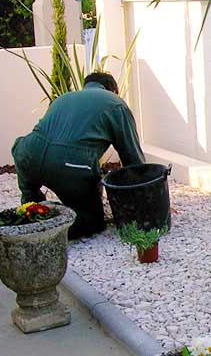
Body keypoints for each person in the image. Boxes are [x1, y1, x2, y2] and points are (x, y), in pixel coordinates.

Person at [12, 72, 144, 239]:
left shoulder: (63, 98)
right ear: (113, 90)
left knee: (34, 204)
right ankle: (47, 234)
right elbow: (132, 157)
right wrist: (145, 200)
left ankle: (32, 212)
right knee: (92, 221)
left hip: (27, 153)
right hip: (69, 163)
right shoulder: (115, 103)